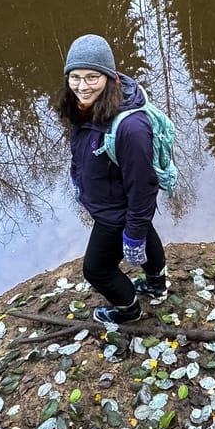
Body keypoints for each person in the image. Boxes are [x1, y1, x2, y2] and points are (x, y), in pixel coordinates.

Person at [55, 34, 168, 324]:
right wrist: (79, 179)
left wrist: (131, 233)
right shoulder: (84, 108)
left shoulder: (130, 128)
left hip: (115, 214)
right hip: (111, 202)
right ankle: (157, 284)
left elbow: (144, 188)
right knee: (147, 231)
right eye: (75, 77)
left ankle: (129, 310)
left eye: (92, 76)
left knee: (96, 270)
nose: (82, 86)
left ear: (109, 76)